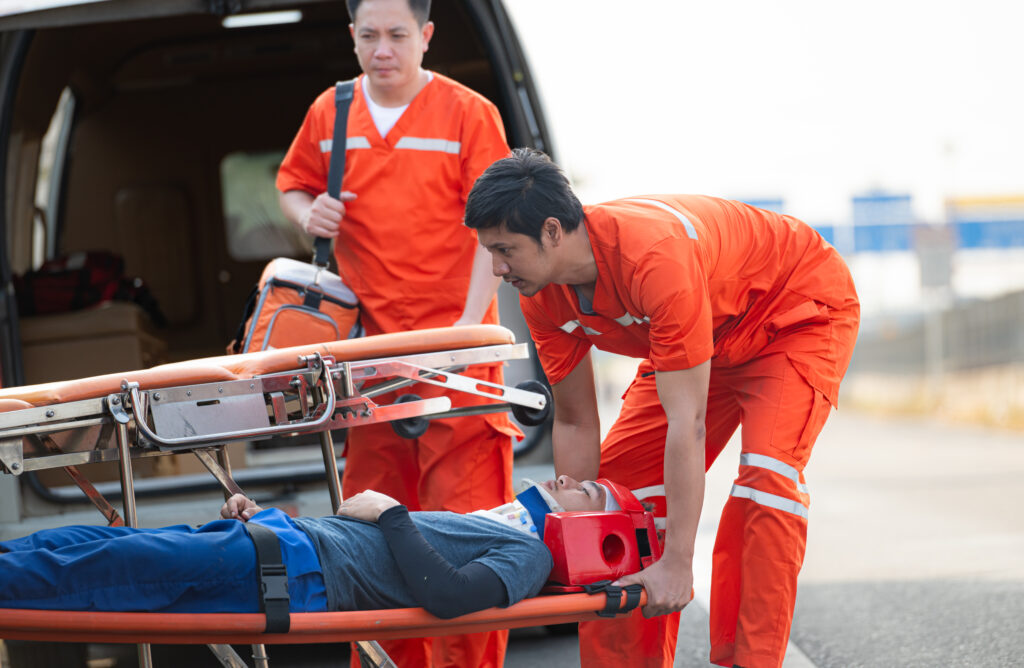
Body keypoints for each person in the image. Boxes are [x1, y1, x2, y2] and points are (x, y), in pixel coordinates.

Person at [464, 149, 861, 668]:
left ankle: (752, 659)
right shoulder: (543, 295)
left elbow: (687, 425)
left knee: (767, 476)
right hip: (698, 342)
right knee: (621, 492)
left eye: (505, 250)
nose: (496, 269)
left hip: (792, 314)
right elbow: (576, 419)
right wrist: (572, 540)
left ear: (553, 231)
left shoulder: (652, 257)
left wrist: (677, 562)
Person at [275, 0, 517, 663]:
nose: (384, 48)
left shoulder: (470, 114)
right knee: (374, 542)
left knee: (465, 539)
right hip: (368, 366)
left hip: (457, 367)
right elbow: (292, 184)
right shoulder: (333, 111)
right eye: (369, 35)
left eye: (398, 35)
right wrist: (308, 215)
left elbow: (493, 229)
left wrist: (469, 327)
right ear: (351, 38)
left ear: (427, 37)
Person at [0, 477, 628, 619]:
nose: (568, 479)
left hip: (295, 572)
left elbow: (449, 596)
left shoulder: (532, 558)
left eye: (588, 490)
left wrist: (391, 512)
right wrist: (263, 515)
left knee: (109, 568)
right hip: (280, 541)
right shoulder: (498, 525)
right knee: (90, 542)